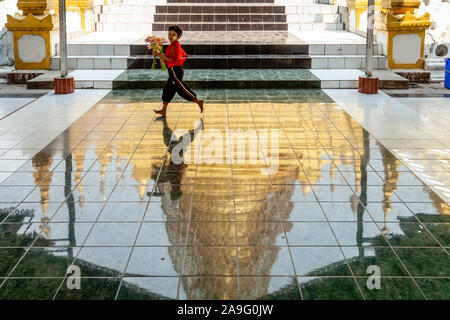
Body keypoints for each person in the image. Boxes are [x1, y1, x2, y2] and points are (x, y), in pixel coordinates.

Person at [151, 25, 204, 116]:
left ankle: (198, 101)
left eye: (173, 34)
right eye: (169, 34)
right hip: (173, 70)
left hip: (175, 71)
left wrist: (158, 54)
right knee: (167, 90)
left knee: (181, 89)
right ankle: (164, 110)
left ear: (178, 36)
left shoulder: (175, 46)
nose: (170, 36)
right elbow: (171, 57)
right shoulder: (173, 45)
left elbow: (170, 59)